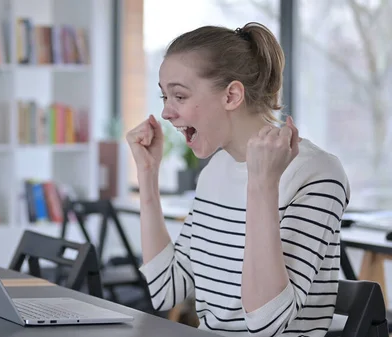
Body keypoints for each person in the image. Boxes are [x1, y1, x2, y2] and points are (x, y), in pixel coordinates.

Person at [126, 22, 350, 337]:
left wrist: (262, 185)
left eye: (179, 96)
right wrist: (148, 176)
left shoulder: (315, 173)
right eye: (164, 97)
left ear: (232, 95)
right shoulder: (216, 171)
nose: (166, 112)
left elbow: (267, 323)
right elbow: (167, 290)